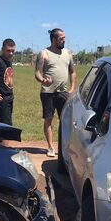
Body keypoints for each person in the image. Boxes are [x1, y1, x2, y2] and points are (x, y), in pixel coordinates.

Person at [35, 28, 76, 157]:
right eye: (61, 38)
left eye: (64, 37)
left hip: (63, 92)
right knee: (48, 119)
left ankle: (64, 147)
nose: (64, 40)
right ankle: (51, 147)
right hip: (48, 93)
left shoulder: (68, 53)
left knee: (65, 120)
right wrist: (43, 80)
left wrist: (72, 88)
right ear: (54, 39)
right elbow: (37, 73)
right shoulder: (44, 53)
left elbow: (73, 72)